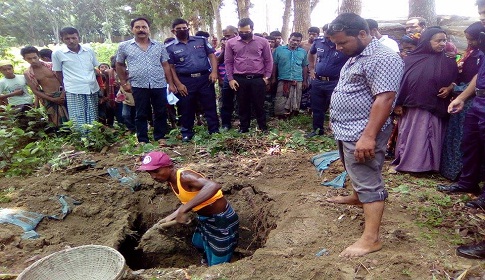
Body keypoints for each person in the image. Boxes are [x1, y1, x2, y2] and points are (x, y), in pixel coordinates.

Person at [326, 13, 404, 257]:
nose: (338, 48)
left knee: (368, 178)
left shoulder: (382, 57)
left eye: (342, 43)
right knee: (355, 170)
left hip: (363, 131)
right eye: (335, 44)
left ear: (362, 34)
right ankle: (358, 196)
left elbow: (385, 98)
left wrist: (368, 136)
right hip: (348, 128)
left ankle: (371, 239)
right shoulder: (358, 54)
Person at [437, 0, 485, 259]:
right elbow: (479, 75)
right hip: (479, 100)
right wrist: (463, 97)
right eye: (481, 14)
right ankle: (468, 184)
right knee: (470, 143)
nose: (483, 19)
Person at [138, 151, 239, 266]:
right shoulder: (171, 180)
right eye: (149, 173)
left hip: (221, 220)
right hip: (206, 219)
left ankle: (216, 269)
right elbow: (189, 200)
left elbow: (213, 186)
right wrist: (172, 215)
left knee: (219, 258)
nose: (154, 176)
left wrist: (184, 209)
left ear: (170, 166)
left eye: (156, 171)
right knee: (198, 242)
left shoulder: (184, 177)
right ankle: (207, 262)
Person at [392, 28, 458, 173]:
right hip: (413, 107)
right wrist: (398, 102)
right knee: (414, 135)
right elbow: (400, 82)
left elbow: (456, 79)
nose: (442, 43)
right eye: (438, 40)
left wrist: (450, 88)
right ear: (427, 42)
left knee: (431, 135)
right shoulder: (411, 59)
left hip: (435, 106)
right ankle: (412, 164)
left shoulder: (448, 61)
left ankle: (430, 166)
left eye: (444, 40)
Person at [116, 17, 174, 145]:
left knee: (160, 111)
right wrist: (124, 83)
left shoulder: (159, 46)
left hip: (158, 83)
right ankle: (142, 139)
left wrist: (170, 83)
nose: (141, 30)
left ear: (148, 29)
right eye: (137, 27)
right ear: (132, 29)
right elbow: (119, 65)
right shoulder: (124, 46)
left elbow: (165, 65)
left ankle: (160, 137)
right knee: (140, 112)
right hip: (138, 84)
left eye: (144, 27)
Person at [440, 22, 485, 181]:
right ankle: (465, 180)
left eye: (472, 39)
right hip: (472, 99)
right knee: (467, 141)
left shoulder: (479, 54)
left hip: (477, 100)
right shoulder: (476, 52)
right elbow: (476, 76)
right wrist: (459, 95)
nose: (469, 42)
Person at [166, 18, 220, 142]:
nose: (182, 30)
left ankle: (214, 130)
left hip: (204, 78)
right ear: (173, 31)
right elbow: (171, 67)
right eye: (178, 29)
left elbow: (211, 55)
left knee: (209, 104)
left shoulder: (201, 40)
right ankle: (187, 132)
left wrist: (214, 72)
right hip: (185, 81)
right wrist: (178, 83)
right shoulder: (169, 48)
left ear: (188, 29)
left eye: (184, 28)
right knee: (186, 107)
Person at [225, 18, 273, 133]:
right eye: (241, 32)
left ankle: (262, 127)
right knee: (242, 104)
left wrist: (267, 77)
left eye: (247, 32)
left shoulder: (263, 42)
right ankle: (244, 127)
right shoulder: (231, 43)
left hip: (257, 79)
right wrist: (230, 79)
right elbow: (228, 62)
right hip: (239, 79)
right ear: (238, 30)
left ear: (252, 29)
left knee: (259, 104)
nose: (244, 34)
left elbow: (268, 60)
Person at [52, 27, 100, 130]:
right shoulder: (58, 53)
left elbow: (95, 67)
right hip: (74, 89)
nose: (71, 41)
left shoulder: (89, 51)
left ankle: (94, 137)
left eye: (74, 38)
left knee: (93, 113)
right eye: (67, 38)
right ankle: (82, 139)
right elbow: (58, 72)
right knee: (78, 116)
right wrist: (66, 85)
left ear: (78, 37)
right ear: (62, 39)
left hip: (92, 88)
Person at [305, 26, 348, 137]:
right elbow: (311, 53)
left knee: (336, 107)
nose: (327, 36)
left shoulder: (342, 44)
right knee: (317, 107)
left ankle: (338, 133)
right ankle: (317, 130)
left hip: (335, 82)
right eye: (326, 33)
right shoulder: (318, 42)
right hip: (318, 81)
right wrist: (311, 69)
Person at [21, 46, 68, 127]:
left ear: (38, 56)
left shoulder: (51, 65)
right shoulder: (28, 73)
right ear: (24, 59)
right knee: (56, 122)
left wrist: (62, 94)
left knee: (71, 117)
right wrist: (53, 99)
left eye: (35, 57)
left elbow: (65, 79)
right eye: (29, 59)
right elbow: (35, 91)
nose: (33, 60)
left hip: (64, 94)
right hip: (49, 98)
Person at [272, 32, 309, 118]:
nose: (295, 42)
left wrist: (305, 80)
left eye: (298, 41)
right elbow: (274, 64)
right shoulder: (279, 50)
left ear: (300, 42)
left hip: (298, 79)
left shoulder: (303, 52)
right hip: (283, 79)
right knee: (281, 99)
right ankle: (280, 117)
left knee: (296, 99)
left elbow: (304, 66)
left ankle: (293, 116)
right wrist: (273, 78)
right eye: (293, 40)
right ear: (289, 40)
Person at [218, 26, 238, 130]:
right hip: (229, 75)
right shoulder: (227, 46)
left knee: (243, 99)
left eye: (228, 36)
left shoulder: (243, 44)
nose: (226, 39)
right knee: (226, 100)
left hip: (242, 75)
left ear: (236, 34)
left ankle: (244, 123)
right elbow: (218, 61)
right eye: (225, 37)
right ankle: (226, 124)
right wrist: (225, 49)